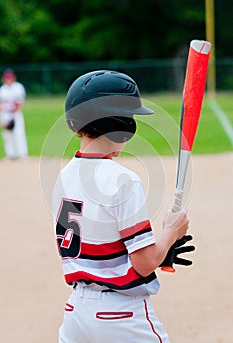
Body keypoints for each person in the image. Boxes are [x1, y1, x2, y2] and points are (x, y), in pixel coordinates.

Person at [52, 70, 195, 343]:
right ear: (116, 122)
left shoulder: (64, 176)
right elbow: (143, 265)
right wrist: (170, 232)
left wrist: (159, 251)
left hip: (74, 314)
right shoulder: (124, 180)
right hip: (120, 317)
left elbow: (102, 247)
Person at [0, 69, 28, 159]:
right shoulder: (2, 90)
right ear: (4, 79)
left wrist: (14, 115)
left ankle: (22, 154)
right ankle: (10, 155)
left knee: (19, 133)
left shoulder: (18, 87)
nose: (8, 80)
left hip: (16, 114)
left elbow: (20, 102)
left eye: (10, 78)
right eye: (7, 78)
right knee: (7, 135)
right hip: (5, 114)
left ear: (13, 78)